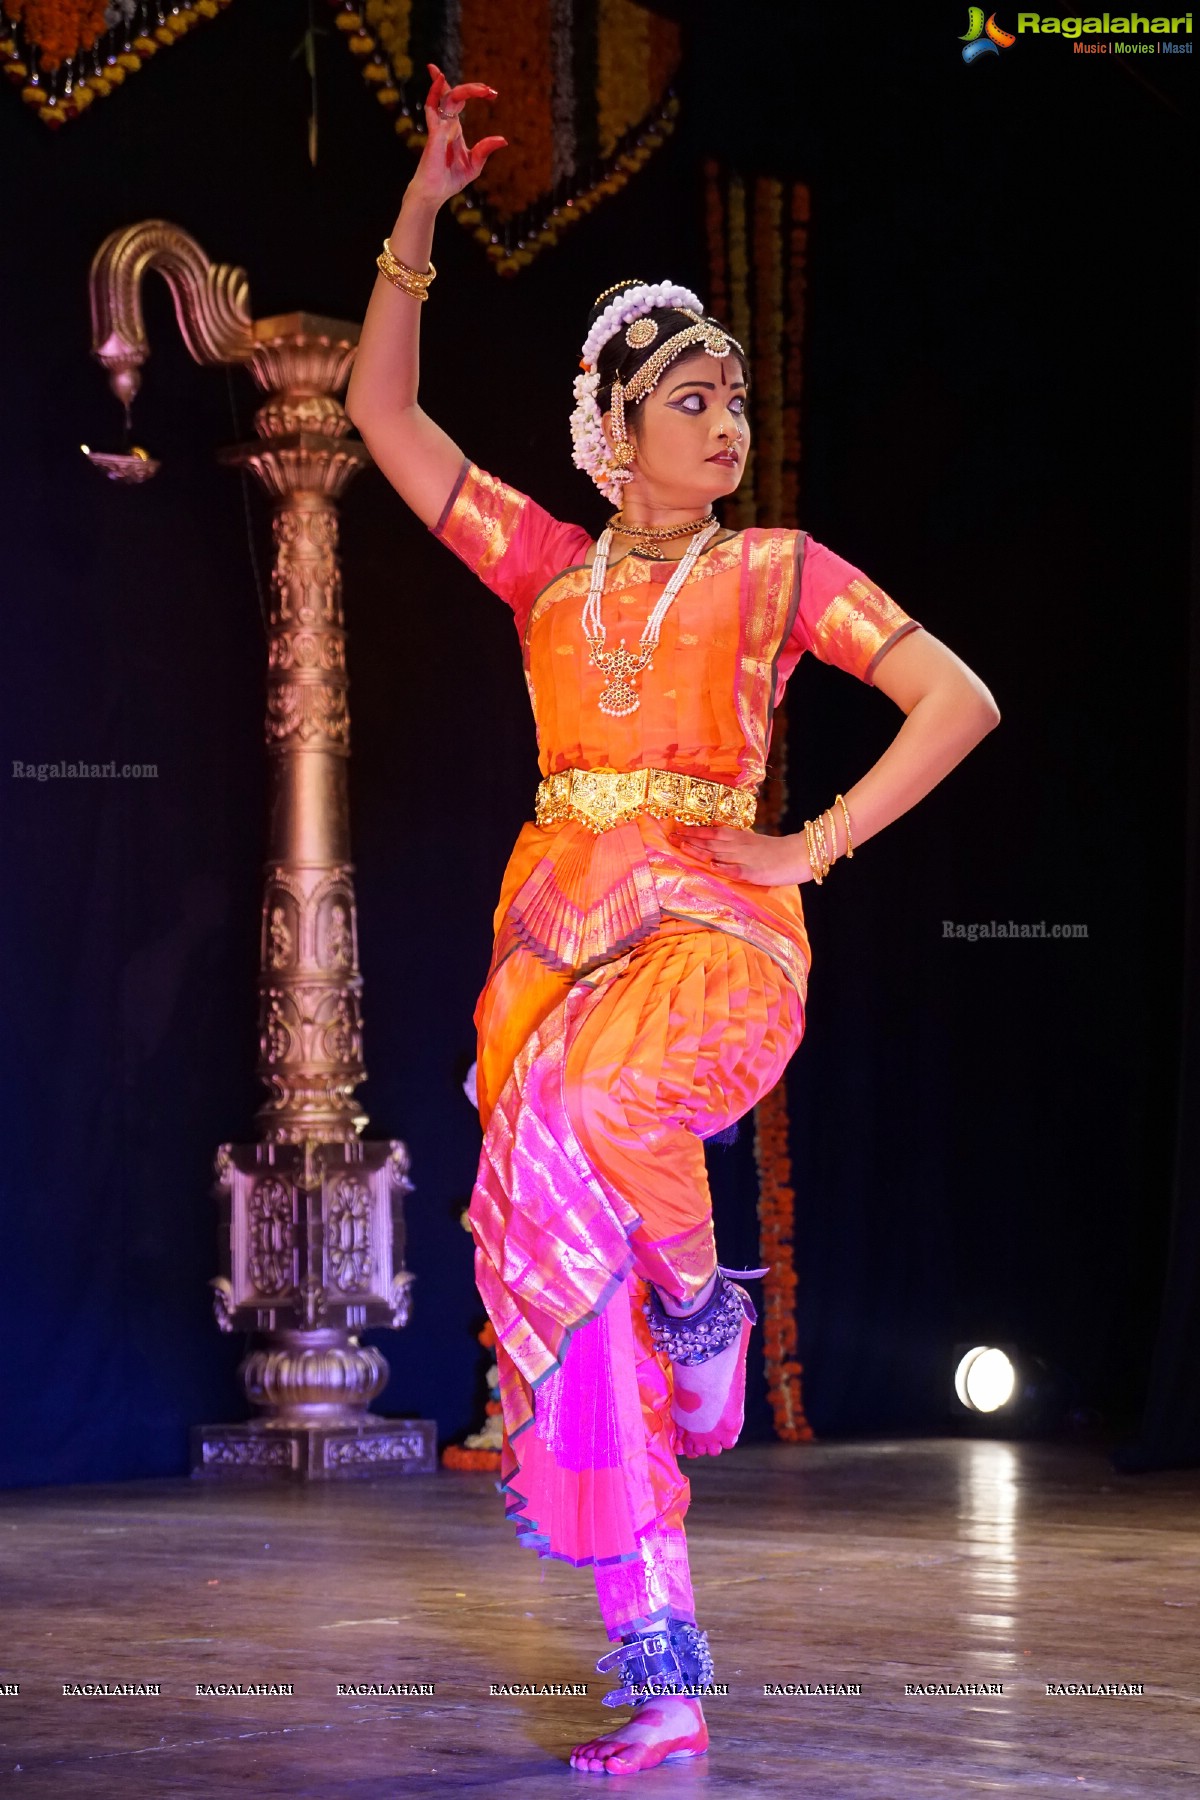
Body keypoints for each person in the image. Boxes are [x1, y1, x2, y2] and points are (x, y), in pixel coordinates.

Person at [345, 64, 1000, 1778]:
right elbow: (386, 424)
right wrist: (416, 221)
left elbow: (960, 697)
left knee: (606, 1100)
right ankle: (664, 1672)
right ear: (614, 429)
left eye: (734, 400)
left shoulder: (779, 570)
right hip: (557, 945)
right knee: (561, 1275)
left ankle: (710, 1317)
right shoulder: (546, 569)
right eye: (692, 400)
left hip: (717, 939)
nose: (727, 425)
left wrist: (820, 840)